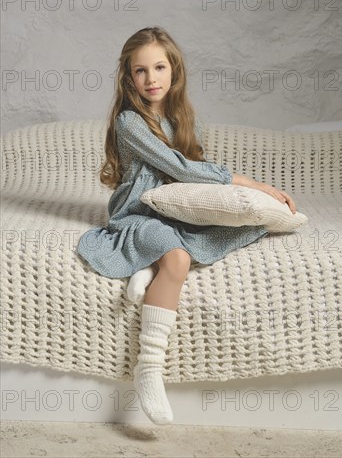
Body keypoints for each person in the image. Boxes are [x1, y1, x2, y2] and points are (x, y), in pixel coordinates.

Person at [76, 26, 296, 425]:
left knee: (235, 228)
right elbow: (179, 167)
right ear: (129, 78)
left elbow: (190, 178)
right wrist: (246, 180)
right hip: (136, 215)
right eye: (140, 71)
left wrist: (256, 198)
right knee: (177, 258)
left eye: (159, 67)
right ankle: (150, 367)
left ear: (174, 71)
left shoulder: (179, 119)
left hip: (171, 212)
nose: (151, 78)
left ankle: (146, 266)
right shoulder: (130, 121)